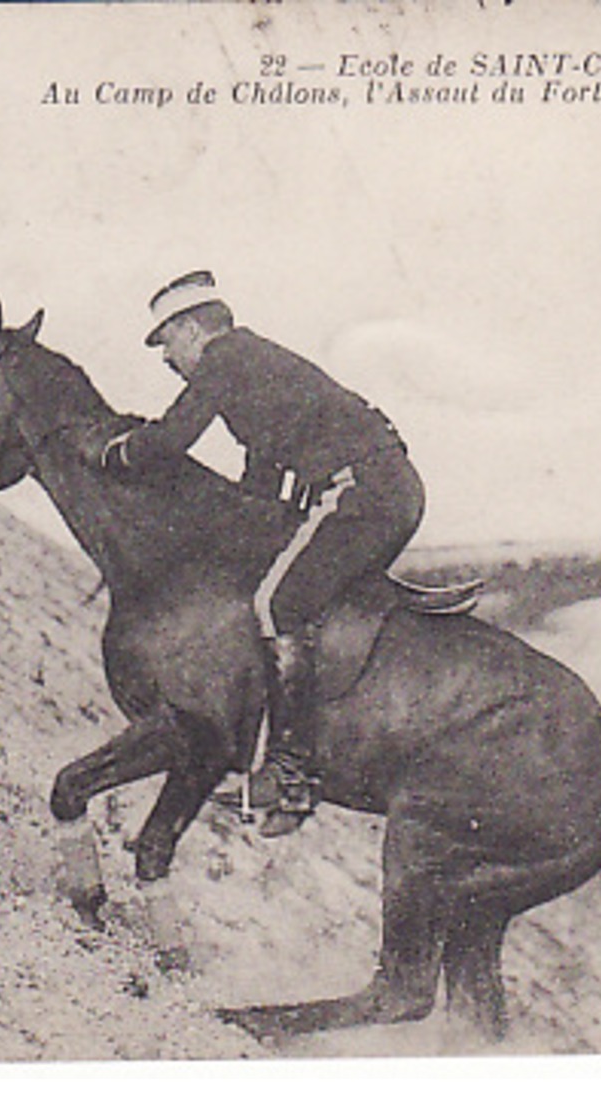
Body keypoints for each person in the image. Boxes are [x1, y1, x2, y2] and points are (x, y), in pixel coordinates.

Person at [100, 271, 426, 837]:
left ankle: (290, 776)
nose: (166, 359)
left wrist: (118, 453)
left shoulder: (225, 361)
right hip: (384, 489)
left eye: (167, 342)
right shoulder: (254, 367)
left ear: (193, 329)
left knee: (279, 606)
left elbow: (173, 439)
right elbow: (262, 473)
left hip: (358, 491)